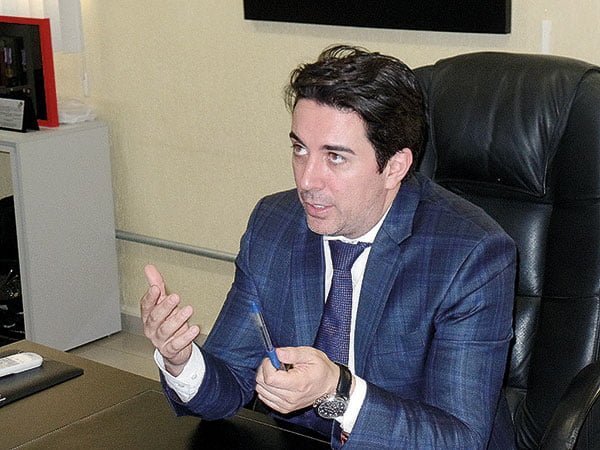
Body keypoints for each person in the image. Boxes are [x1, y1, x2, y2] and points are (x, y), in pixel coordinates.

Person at [141, 45, 517, 449]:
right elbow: (229, 383)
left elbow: (460, 438)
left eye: (335, 157)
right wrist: (181, 360)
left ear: (394, 167)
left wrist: (338, 391)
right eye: (299, 149)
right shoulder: (275, 223)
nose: (307, 180)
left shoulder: (471, 255)